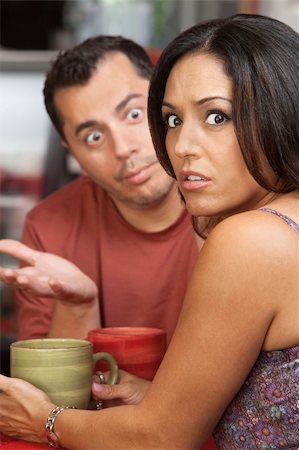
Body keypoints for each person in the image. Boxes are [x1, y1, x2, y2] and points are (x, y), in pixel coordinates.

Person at [0, 13, 298, 450]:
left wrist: (46, 419)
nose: (181, 147)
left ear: (281, 108)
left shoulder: (249, 238)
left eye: (217, 116)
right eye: (173, 121)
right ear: (71, 152)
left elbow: (160, 439)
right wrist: (162, 399)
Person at [12, 35, 199, 344]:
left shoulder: (233, 202)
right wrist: (76, 306)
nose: (123, 148)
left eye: (134, 114)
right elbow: (46, 389)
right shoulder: (49, 227)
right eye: (94, 137)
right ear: (71, 151)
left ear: (165, 103)